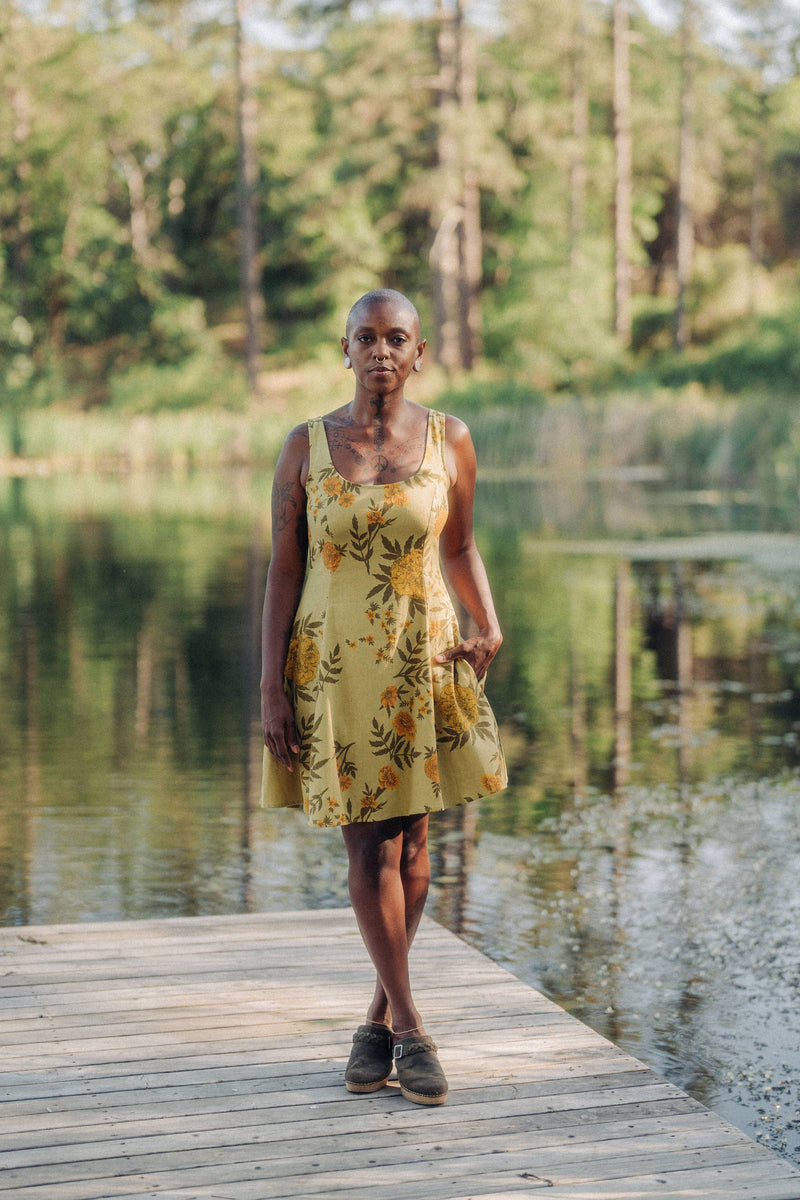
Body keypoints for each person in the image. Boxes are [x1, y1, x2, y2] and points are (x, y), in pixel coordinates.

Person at [260, 288, 507, 1107]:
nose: (380, 351)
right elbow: (284, 570)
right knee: (368, 850)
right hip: (334, 669)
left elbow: (462, 545)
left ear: (419, 351)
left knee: (412, 843)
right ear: (345, 348)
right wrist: (269, 683)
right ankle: (410, 1026)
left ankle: (375, 1020)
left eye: (395, 337)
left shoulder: (451, 440)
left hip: (424, 658)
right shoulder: (304, 447)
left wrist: (489, 622)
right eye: (365, 337)